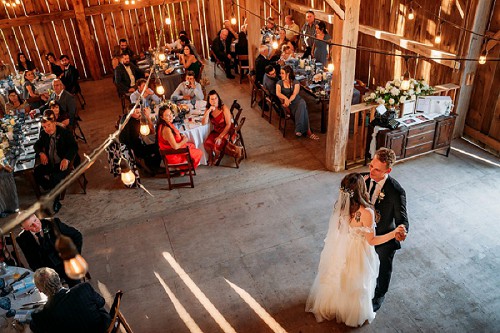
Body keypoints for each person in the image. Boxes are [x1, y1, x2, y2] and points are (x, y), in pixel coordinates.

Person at [305, 173, 406, 327]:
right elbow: (372, 240)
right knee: (357, 282)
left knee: (340, 277)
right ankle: (351, 313)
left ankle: (336, 305)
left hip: (343, 247)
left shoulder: (341, 207)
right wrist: (393, 233)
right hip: (359, 252)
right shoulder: (367, 213)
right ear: (361, 189)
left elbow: (340, 229)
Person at [365, 147, 409, 312]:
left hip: (384, 236)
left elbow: (402, 219)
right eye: (371, 166)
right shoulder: (365, 178)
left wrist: (402, 230)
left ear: (388, 170)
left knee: (383, 267)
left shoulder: (396, 192)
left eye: (377, 169)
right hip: (365, 233)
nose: (371, 171)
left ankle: (379, 295)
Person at [30, 267, 110, 333]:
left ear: (40, 290)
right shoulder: (84, 288)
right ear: (59, 278)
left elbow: (34, 327)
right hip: (103, 329)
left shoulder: (42, 315)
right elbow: (101, 302)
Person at [17, 215, 83, 287]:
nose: (36, 225)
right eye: (31, 225)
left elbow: (77, 236)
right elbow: (31, 260)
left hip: (65, 262)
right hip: (47, 271)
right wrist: (42, 273)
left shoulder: (53, 223)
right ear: (24, 228)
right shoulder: (22, 238)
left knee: (77, 288)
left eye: (35, 220)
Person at [34, 110, 79, 212]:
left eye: (49, 125)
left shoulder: (64, 133)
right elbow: (36, 145)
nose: (47, 129)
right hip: (50, 162)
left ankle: (56, 201)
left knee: (55, 177)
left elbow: (74, 147)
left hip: (61, 164)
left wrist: (67, 159)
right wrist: (41, 153)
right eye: (44, 127)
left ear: (54, 123)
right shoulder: (44, 134)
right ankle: (50, 186)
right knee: (36, 172)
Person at [276, 65, 318, 140]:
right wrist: (285, 98)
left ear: (288, 74)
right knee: (303, 110)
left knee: (302, 104)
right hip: (288, 103)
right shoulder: (279, 82)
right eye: (280, 73)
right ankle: (308, 132)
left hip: (296, 100)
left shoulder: (296, 82)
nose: (280, 75)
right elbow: (278, 93)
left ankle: (299, 129)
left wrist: (288, 100)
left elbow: (295, 94)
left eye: (282, 73)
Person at [119, 106, 161, 175]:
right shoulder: (134, 123)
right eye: (137, 113)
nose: (140, 114)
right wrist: (147, 116)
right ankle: (154, 167)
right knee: (159, 146)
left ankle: (150, 165)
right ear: (131, 113)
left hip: (132, 145)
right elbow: (152, 131)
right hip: (134, 148)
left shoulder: (126, 117)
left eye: (140, 112)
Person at [202, 90, 232, 165]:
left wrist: (220, 136)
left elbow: (229, 124)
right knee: (206, 144)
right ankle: (211, 156)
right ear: (209, 101)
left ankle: (217, 156)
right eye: (212, 99)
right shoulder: (208, 109)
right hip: (216, 131)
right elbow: (203, 123)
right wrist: (208, 111)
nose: (214, 101)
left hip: (226, 131)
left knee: (216, 145)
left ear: (218, 98)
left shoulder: (223, 108)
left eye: (216, 98)